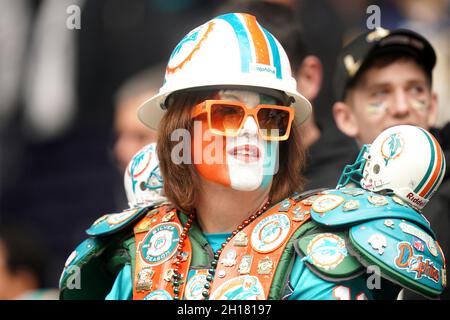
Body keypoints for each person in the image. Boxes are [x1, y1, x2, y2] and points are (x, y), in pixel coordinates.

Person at [59, 13, 445, 300]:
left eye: (270, 117)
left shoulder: (322, 252)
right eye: (226, 113)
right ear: (179, 130)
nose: (249, 130)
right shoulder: (138, 251)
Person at [332, 27, 450, 299]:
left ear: (432, 106)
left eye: (415, 89)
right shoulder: (324, 199)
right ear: (345, 118)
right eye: (379, 94)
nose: (400, 106)